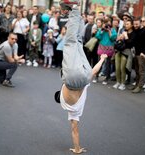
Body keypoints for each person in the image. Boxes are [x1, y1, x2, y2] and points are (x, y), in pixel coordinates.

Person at [54, 1, 107, 154]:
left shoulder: (75, 112)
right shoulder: (64, 102)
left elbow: (75, 130)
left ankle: (75, 13)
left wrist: (102, 59)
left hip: (85, 77)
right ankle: (75, 10)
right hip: (71, 78)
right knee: (71, 42)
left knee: (78, 42)